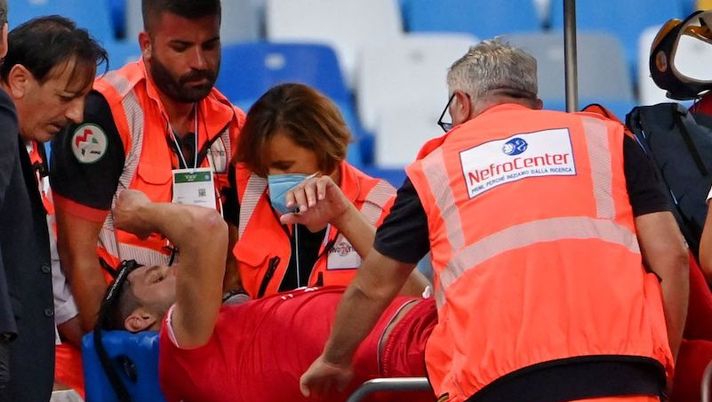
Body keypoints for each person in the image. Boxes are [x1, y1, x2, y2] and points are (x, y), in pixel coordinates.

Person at [301, 40, 690, 402]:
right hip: (623, 374)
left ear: (460, 104)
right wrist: (662, 363)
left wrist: (335, 359)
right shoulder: (607, 140)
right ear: (534, 104)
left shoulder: (436, 170)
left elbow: (373, 286)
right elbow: (672, 259)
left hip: (496, 380)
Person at [100, 189, 437, 402]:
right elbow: (204, 229)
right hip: (413, 350)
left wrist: (344, 216)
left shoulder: (236, 322)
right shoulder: (180, 349)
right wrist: (144, 213)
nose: (176, 269)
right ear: (140, 319)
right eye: (158, 276)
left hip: (431, 322)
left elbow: (412, 296)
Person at [50, 0, 245, 333]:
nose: (199, 62)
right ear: (147, 45)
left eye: (210, 45)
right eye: (181, 48)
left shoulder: (231, 125)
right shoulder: (104, 114)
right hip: (122, 331)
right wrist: (112, 352)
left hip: (190, 336)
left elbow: (239, 251)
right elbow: (76, 253)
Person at [0, 14, 107, 402]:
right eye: (66, 98)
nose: (78, 115)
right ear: (19, 81)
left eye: (83, 99)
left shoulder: (32, 139)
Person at [227, 83, 411, 297]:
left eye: (285, 166)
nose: (272, 177)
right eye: (265, 167)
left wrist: (347, 220)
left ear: (325, 154)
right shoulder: (245, 185)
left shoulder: (382, 206)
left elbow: (419, 298)